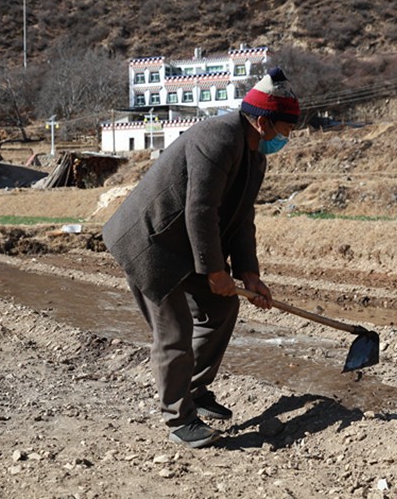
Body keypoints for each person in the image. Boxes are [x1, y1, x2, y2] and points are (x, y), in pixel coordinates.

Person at [102, 67, 300, 448]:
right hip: (153, 242)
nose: (286, 138)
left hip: (185, 244)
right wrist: (214, 270)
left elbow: (241, 218)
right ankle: (179, 418)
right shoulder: (217, 137)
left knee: (221, 308)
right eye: (285, 129)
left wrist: (248, 273)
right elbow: (200, 209)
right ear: (262, 122)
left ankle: (193, 389)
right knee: (174, 330)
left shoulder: (255, 157)